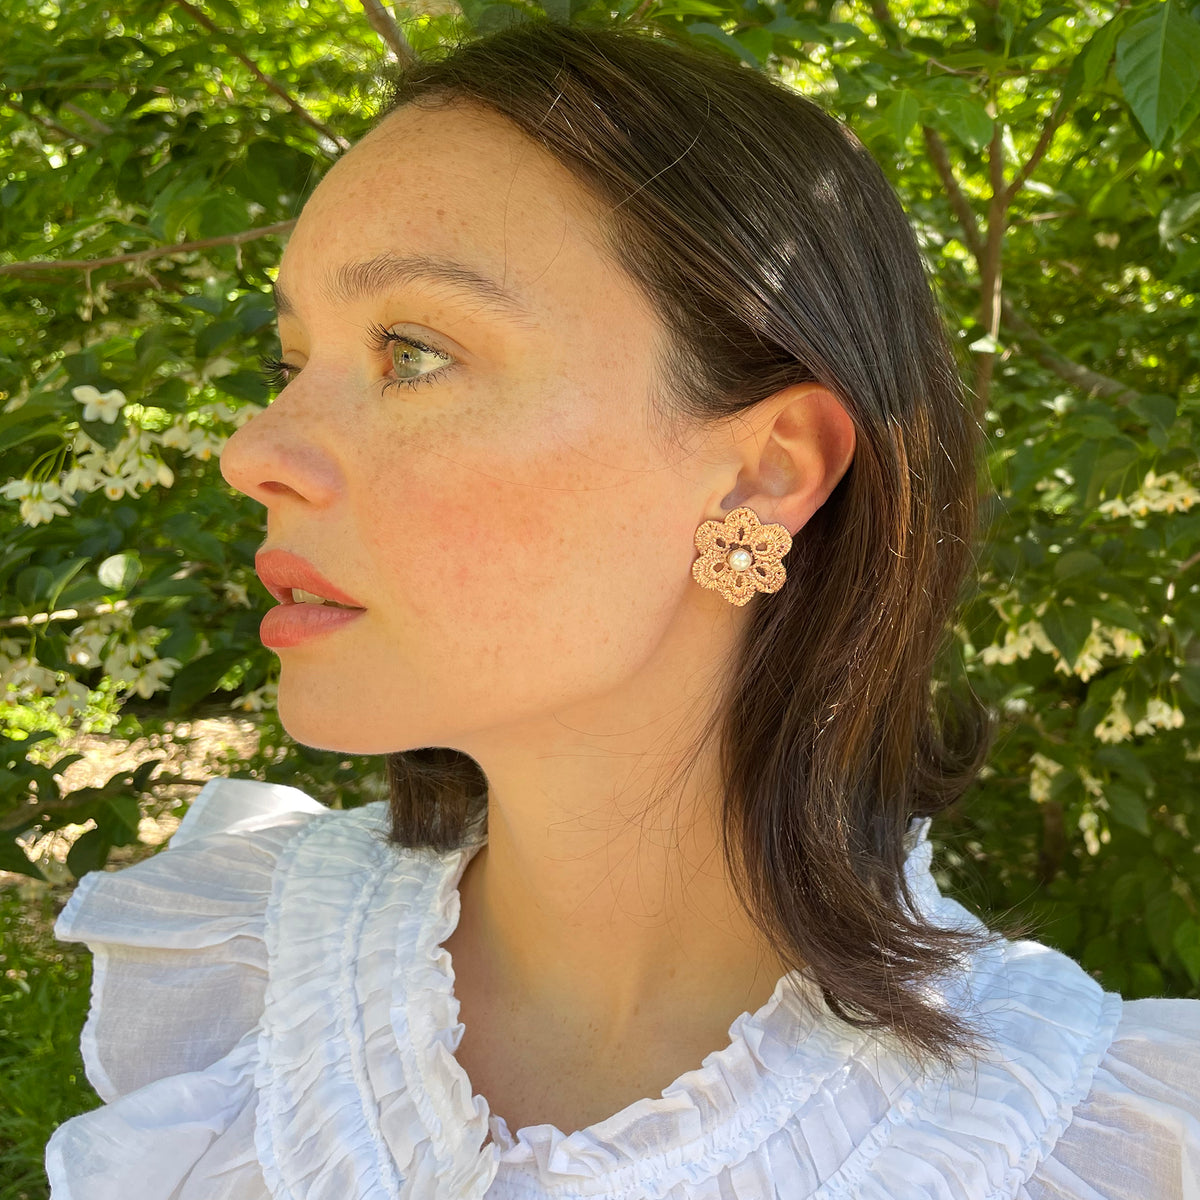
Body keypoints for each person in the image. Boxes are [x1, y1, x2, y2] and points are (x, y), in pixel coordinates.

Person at [45, 18, 1199, 1200]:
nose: (254, 451)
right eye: (289, 361)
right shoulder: (241, 991)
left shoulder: (1103, 1147)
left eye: (414, 350)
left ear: (765, 472)